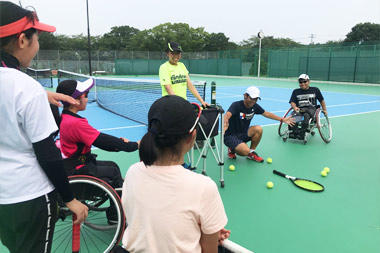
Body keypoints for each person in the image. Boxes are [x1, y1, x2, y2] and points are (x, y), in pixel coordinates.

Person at [0, 2, 88, 253]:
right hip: (32, 197)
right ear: (22, 40)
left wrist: (42, 94)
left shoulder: (29, 89)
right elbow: (48, 154)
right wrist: (70, 199)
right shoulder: (26, 88)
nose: (38, 45)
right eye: (36, 37)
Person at [121, 95, 229, 253]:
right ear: (192, 137)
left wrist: (200, 229)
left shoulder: (133, 171)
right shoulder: (204, 187)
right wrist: (208, 234)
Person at [56, 79, 139, 189]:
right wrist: (133, 145)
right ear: (74, 100)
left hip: (76, 162)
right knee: (113, 171)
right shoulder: (75, 123)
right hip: (76, 168)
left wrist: (119, 145)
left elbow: (102, 141)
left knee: (113, 165)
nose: (87, 99)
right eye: (86, 95)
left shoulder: (66, 117)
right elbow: (102, 141)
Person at [224, 86, 295, 162]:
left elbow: (266, 114)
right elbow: (227, 115)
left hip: (243, 133)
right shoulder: (236, 105)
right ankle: (232, 149)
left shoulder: (254, 106)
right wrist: (225, 123)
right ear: (245, 96)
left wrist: (282, 119)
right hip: (230, 136)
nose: (254, 101)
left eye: (256, 99)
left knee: (258, 129)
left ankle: (251, 153)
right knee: (245, 151)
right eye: (252, 98)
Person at [159, 41, 208, 108]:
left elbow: (190, 85)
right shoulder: (164, 67)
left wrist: (202, 101)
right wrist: (178, 103)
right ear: (168, 54)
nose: (176, 56)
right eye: (173, 53)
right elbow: (168, 88)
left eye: (178, 53)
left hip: (182, 104)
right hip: (170, 105)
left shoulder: (182, 66)